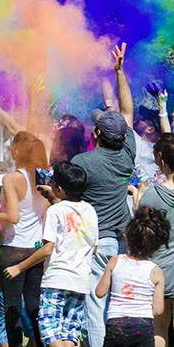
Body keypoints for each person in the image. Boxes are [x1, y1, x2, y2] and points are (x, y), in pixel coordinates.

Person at [73, 44, 138, 347]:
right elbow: (127, 111)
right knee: (117, 305)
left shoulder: (83, 163)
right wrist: (119, 71)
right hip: (123, 240)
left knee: (95, 306)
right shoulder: (128, 153)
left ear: (96, 134)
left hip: (96, 242)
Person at [4, 161, 97, 347]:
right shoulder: (90, 210)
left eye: (53, 182)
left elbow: (48, 248)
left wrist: (18, 267)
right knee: (69, 334)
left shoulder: (55, 212)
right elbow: (94, 247)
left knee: (50, 331)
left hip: (56, 280)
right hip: (80, 282)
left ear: (59, 188)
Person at [0, 131, 50, 347]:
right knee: (34, 305)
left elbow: (13, 217)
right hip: (35, 250)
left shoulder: (12, 178)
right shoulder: (43, 178)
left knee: (12, 308)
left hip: (13, 249)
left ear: (16, 151)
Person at [96, 206, 169, 347]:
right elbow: (159, 309)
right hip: (143, 327)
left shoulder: (115, 261)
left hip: (116, 325)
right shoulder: (156, 271)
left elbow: (100, 292)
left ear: (128, 238)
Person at [135, 133, 174, 345]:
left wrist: (138, 198)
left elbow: (141, 232)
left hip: (162, 269)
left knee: (159, 326)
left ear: (160, 158)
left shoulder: (152, 195)